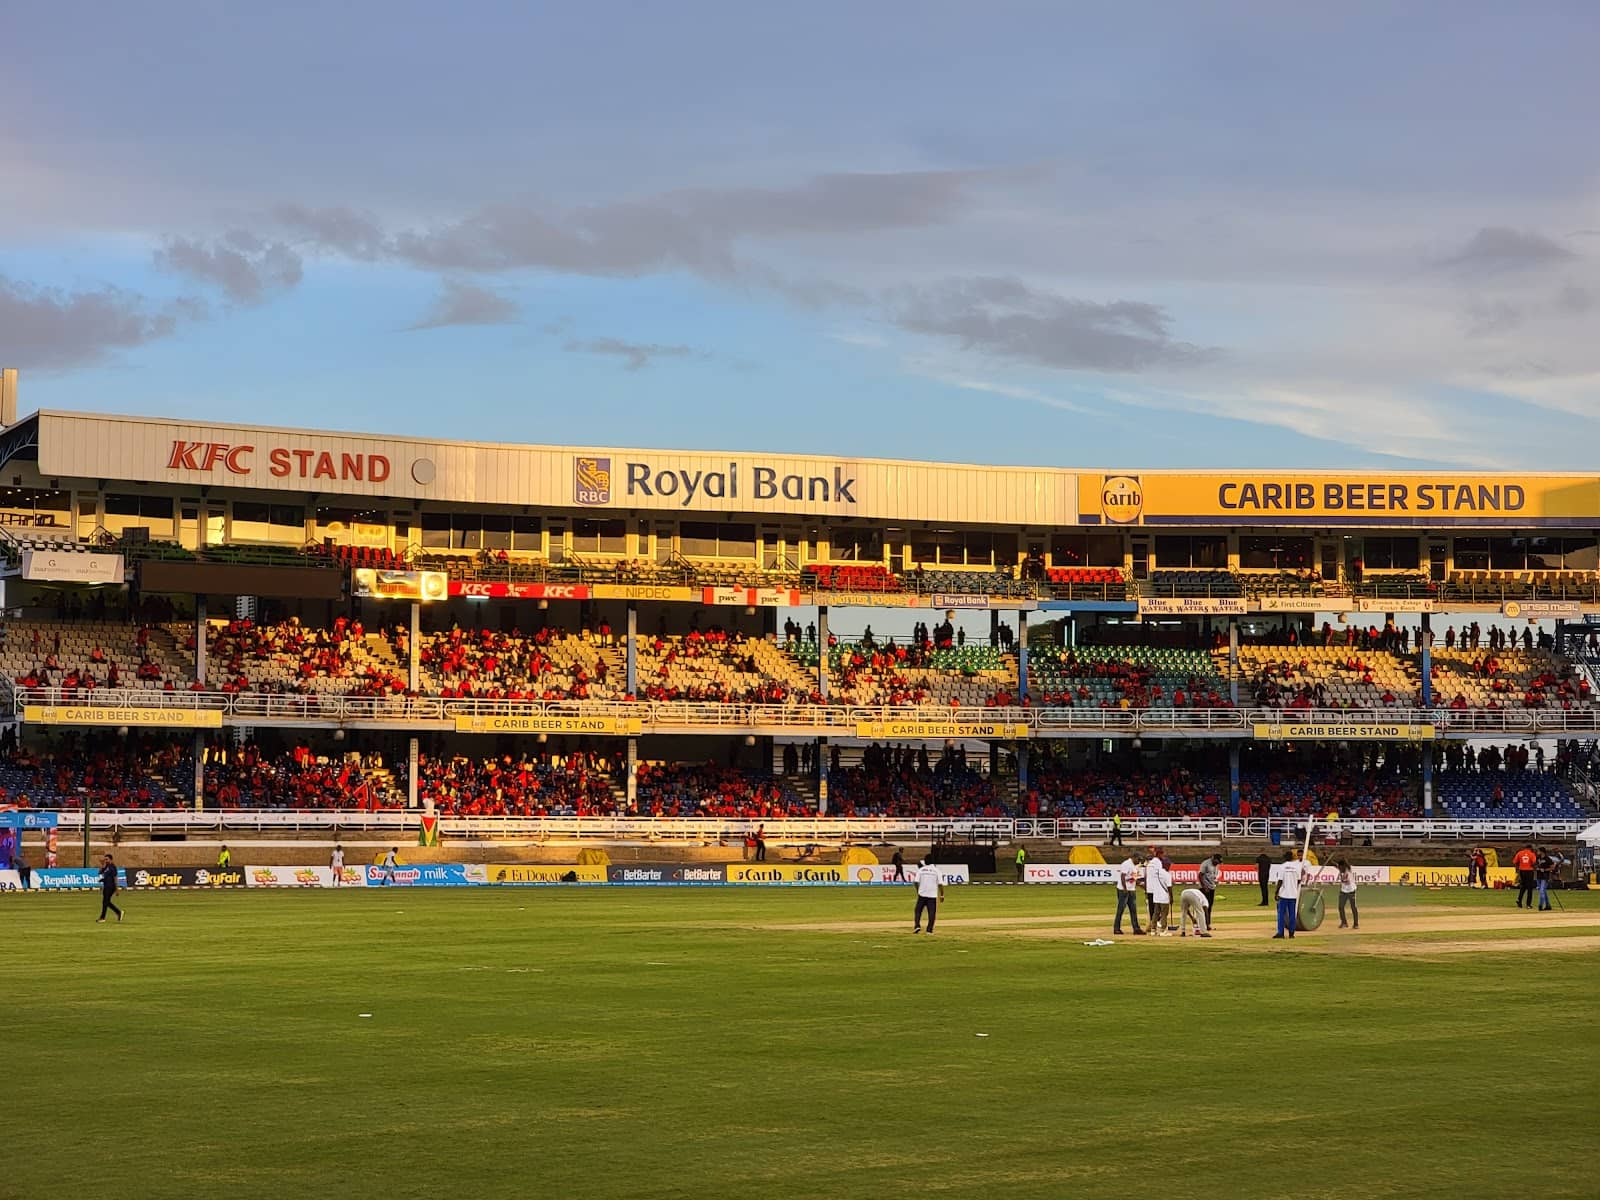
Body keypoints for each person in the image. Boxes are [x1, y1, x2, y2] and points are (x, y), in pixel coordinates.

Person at [1270, 849, 1307, 939]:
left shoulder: (1282, 866)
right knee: (1292, 915)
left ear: (1285, 857)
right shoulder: (1297, 867)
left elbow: (1280, 881)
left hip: (1284, 894)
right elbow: (1299, 880)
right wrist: (1294, 886)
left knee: (1281, 914)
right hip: (1293, 894)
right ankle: (1291, 933)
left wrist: (1276, 892)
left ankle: (1281, 933)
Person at [1114, 852, 1144, 936]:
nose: (1139, 861)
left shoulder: (1135, 866)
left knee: (1133, 910)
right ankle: (1116, 928)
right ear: (1134, 857)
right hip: (1124, 890)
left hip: (1131, 889)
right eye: (1138, 859)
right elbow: (1122, 876)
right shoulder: (1126, 864)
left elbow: (1133, 878)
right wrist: (1124, 888)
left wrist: (1142, 886)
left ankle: (1136, 928)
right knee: (1120, 909)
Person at [912, 858, 944, 934]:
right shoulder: (937, 871)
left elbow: (916, 882)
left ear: (925, 862)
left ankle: (917, 926)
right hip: (932, 895)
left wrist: (918, 890)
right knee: (931, 913)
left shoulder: (921, 869)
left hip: (922, 894)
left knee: (918, 911)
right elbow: (940, 884)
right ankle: (929, 930)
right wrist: (942, 895)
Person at [1146, 849, 1172, 935]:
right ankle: (1163, 930)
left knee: (1154, 912)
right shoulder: (1161, 867)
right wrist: (1171, 897)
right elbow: (1169, 886)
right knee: (1164, 913)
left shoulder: (1150, 863)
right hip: (1161, 895)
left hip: (1152, 892)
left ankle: (1153, 929)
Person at [96, 853, 123, 923]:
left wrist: (117, 889)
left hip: (111, 887)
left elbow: (115, 878)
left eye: (107, 859)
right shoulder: (106, 866)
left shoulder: (113, 867)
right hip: (106, 886)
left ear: (111, 859)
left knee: (105, 902)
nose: (105, 860)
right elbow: (100, 872)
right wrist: (102, 865)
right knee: (106, 902)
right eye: (105, 859)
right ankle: (118, 912)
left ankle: (103, 917)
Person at [1198, 853, 1222, 927]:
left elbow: (1213, 875)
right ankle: (1203, 924)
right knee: (1205, 906)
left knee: (1210, 906)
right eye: (1217, 862)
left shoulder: (1216, 865)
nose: (1218, 864)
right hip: (1205, 888)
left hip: (1212, 887)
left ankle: (1208, 923)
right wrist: (1204, 887)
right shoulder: (1205, 864)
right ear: (1213, 859)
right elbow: (1200, 875)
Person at [1512, 843, 1537, 909]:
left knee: (1523, 886)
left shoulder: (1520, 853)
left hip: (1522, 871)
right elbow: (1534, 862)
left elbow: (1514, 861)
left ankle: (1519, 900)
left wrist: (1518, 866)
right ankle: (1528, 904)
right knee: (1529, 888)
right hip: (1529, 871)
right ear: (1530, 848)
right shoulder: (1532, 854)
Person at [1337, 858, 1359, 930]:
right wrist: (1326, 857)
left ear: (1344, 866)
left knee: (1353, 907)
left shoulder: (1349, 869)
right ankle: (1344, 923)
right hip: (1343, 891)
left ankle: (1356, 924)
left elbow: (1347, 865)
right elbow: (1333, 864)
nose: (1339, 869)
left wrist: (1345, 860)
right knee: (1340, 907)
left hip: (1351, 891)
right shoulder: (1340, 869)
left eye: (1340, 867)